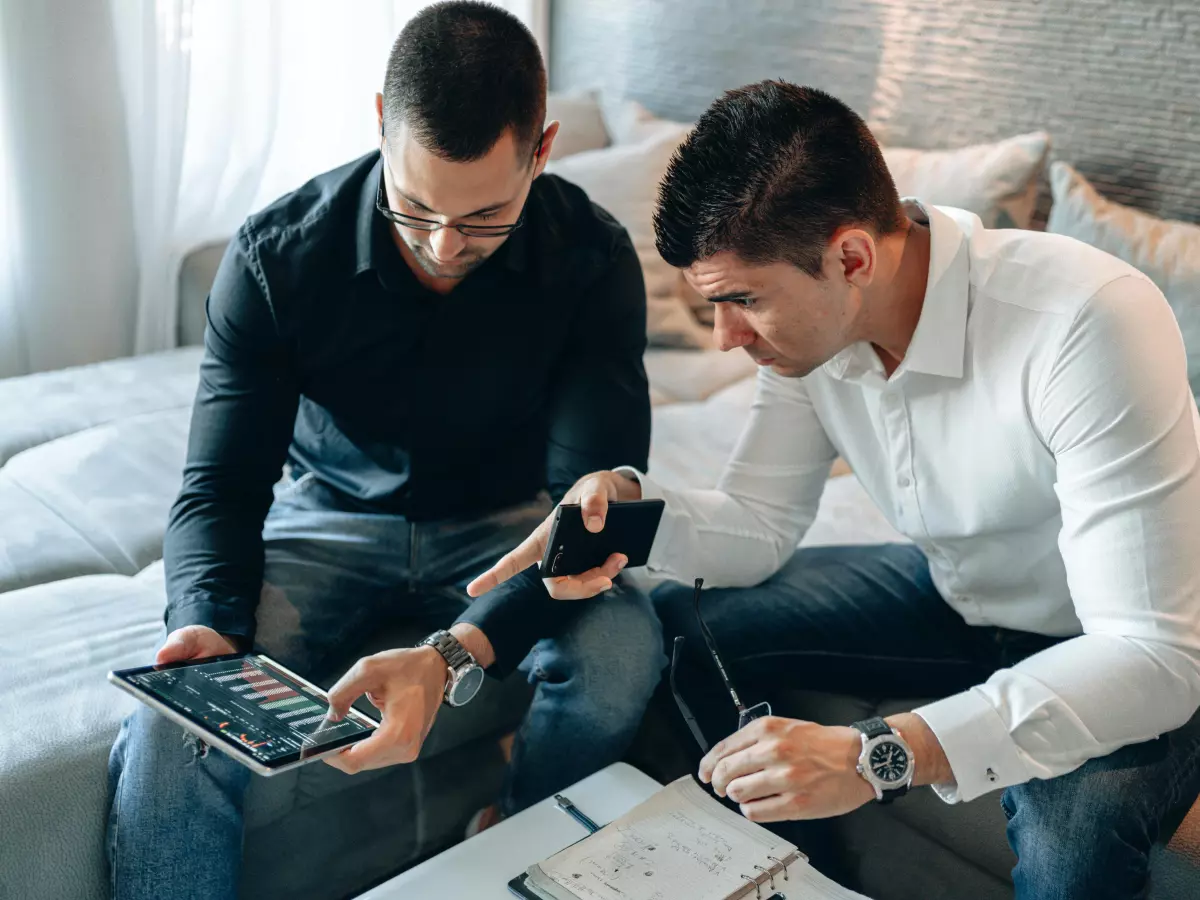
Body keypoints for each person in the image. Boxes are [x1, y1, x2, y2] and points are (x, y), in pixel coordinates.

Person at [472, 81, 1200, 899]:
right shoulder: (812, 340)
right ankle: (809, 880)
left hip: (1118, 636)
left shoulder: (1085, 319)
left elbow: (1152, 654)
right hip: (959, 592)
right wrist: (622, 512)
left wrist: (875, 753)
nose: (726, 337)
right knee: (688, 619)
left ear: (852, 257)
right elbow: (758, 520)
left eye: (743, 301)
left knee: (1069, 841)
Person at [105, 4, 664, 899]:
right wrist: (204, 620)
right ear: (379, 123)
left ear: (543, 147)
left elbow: (591, 519)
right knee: (175, 728)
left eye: (486, 216)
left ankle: (525, 852)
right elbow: (219, 486)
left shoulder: (591, 257)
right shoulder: (273, 257)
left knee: (626, 652)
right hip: (329, 518)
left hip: (508, 524)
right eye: (416, 207)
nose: (445, 248)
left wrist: (456, 653)